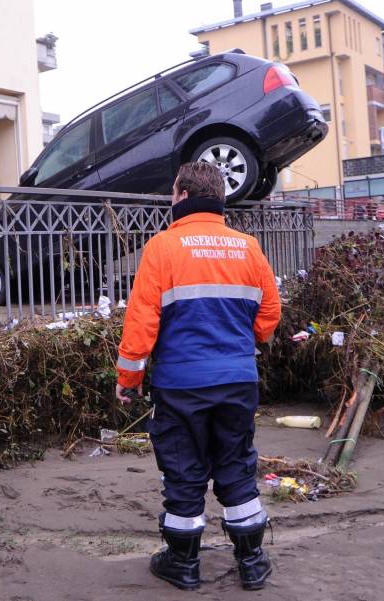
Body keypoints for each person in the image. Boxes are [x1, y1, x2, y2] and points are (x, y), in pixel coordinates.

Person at [115, 162, 281, 591]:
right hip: (238, 379)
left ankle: (183, 564)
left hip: (181, 384)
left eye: (172, 193)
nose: (170, 200)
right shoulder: (248, 247)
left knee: (184, 469)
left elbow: (141, 321)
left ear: (184, 195)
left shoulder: (163, 247)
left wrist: (128, 379)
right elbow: (269, 313)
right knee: (236, 465)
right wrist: (247, 341)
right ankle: (252, 563)